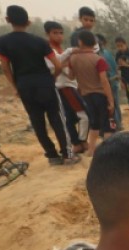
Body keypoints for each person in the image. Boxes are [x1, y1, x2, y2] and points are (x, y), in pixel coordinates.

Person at [0, 5, 77, 166]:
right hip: (45, 83)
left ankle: (52, 156)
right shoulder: (39, 42)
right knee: (57, 119)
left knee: (37, 122)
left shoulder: (2, 42)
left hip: (24, 86)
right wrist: (51, 79)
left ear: (7, 20)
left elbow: (5, 68)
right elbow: (58, 66)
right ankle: (67, 155)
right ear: (28, 22)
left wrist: (15, 86)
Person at [45, 21, 89, 154]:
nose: (59, 36)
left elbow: (64, 65)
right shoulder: (49, 50)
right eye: (55, 33)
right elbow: (55, 66)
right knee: (84, 115)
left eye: (61, 33)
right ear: (48, 34)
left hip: (70, 85)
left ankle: (77, 143)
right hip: (65, 87)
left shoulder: (60, 50)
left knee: (70, 118)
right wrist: (71, 52)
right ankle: (82, 141)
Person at [68, 31, 115, 156]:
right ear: (94, 43)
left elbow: (70, 76)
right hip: (100, 94)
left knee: (94, 123)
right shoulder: (98, 59)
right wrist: (111, 100)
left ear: (80, 42)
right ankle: (108, 152)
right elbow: (104, 81)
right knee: (107, 124)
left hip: (85, 95)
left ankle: (91, 150)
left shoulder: (73, 59)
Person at [96, 35, 122, 131]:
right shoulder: (108, 53)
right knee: (115, 103)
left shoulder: (99, 56)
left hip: (108, 82)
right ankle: (119, 124)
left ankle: (115, 126)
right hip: (113, 82)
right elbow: (116, 67)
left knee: (110, 105)